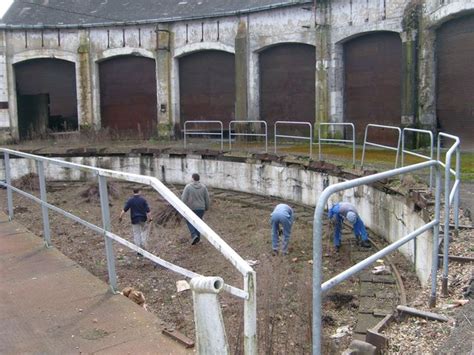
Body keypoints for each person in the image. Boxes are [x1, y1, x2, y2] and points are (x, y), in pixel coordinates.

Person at [181, 173, 210, 245]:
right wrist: (206, 207)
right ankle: (198, 239)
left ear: (193, 178)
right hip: (201, 208)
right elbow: (207, 198)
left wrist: (182, 207)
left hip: (191, 208)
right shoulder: (203, 187)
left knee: (189, 221)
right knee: (198, 223)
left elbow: (183, 199)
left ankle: (194, 235)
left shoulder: (188, 187)